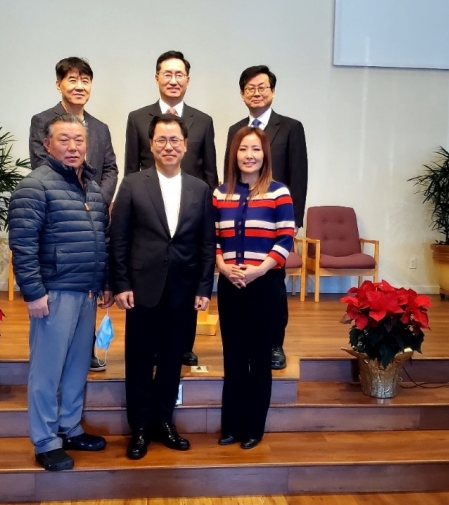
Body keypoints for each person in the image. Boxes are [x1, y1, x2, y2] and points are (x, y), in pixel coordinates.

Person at [8, 114, 113, 472]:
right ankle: (45, 440)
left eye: (79, 140)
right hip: (53, 293)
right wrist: (33, 292)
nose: (73, 147)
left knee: (76, 368)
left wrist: (105, 283)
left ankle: (70, 428)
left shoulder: (92, 188)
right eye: (64, 140)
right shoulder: (34, 185)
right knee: (47, 371)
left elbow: (103, 240)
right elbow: (22, 244)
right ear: (47, 144)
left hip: (87, 292)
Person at [111, 114, 216, 460]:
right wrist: (121, 283)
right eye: (161, 140)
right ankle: (140, 427)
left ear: (185, 146)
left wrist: (204, 288)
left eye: (175, 140)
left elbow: (206, 243)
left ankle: (164, 421)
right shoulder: (132, 184)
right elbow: (119, 238)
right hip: (142, 286)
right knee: (139, 359)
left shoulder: (200, 189)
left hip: (183, 288)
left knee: (173, 359)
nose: (168, 146)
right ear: (151, 145)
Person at [29, 56, 117, 373]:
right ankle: (56, 354)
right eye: (72, 79)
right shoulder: (43, 120)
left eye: (85, 80)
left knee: (88, 283)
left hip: (92, 216)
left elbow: (111, 169)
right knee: (62, 293)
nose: (79, 86)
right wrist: (76, 200)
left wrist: (95, 200)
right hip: (59, 217)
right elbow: (41, 164)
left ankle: (85, 349)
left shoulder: (101, 128)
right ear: (59, 84)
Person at [214, 126, 295, 450]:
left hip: (265, 284)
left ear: (265, 155)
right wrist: (223, 267)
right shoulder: (220, 194)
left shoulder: (279, 192)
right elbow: (214, 240)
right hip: (230, 285)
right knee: (233, 356)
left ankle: (253, 427)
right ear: (234, 154)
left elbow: (285, 239)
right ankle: (231, 425)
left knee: (259, 358)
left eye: (256, 149)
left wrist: (259, 270)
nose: (249, 155)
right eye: (243, 149)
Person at [224, 65, 308, 371]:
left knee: (273, 285)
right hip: (240, 218)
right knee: (239, 282)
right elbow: (229, 174)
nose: (256, 93)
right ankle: (244, 339)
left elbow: (299, 174)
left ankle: (274, 343)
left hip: (275, 219)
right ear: (242, 93)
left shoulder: (290, 127)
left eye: (262, 87)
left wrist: (293, 222)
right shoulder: (235, 130)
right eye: (250, 88)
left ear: (272, 91)